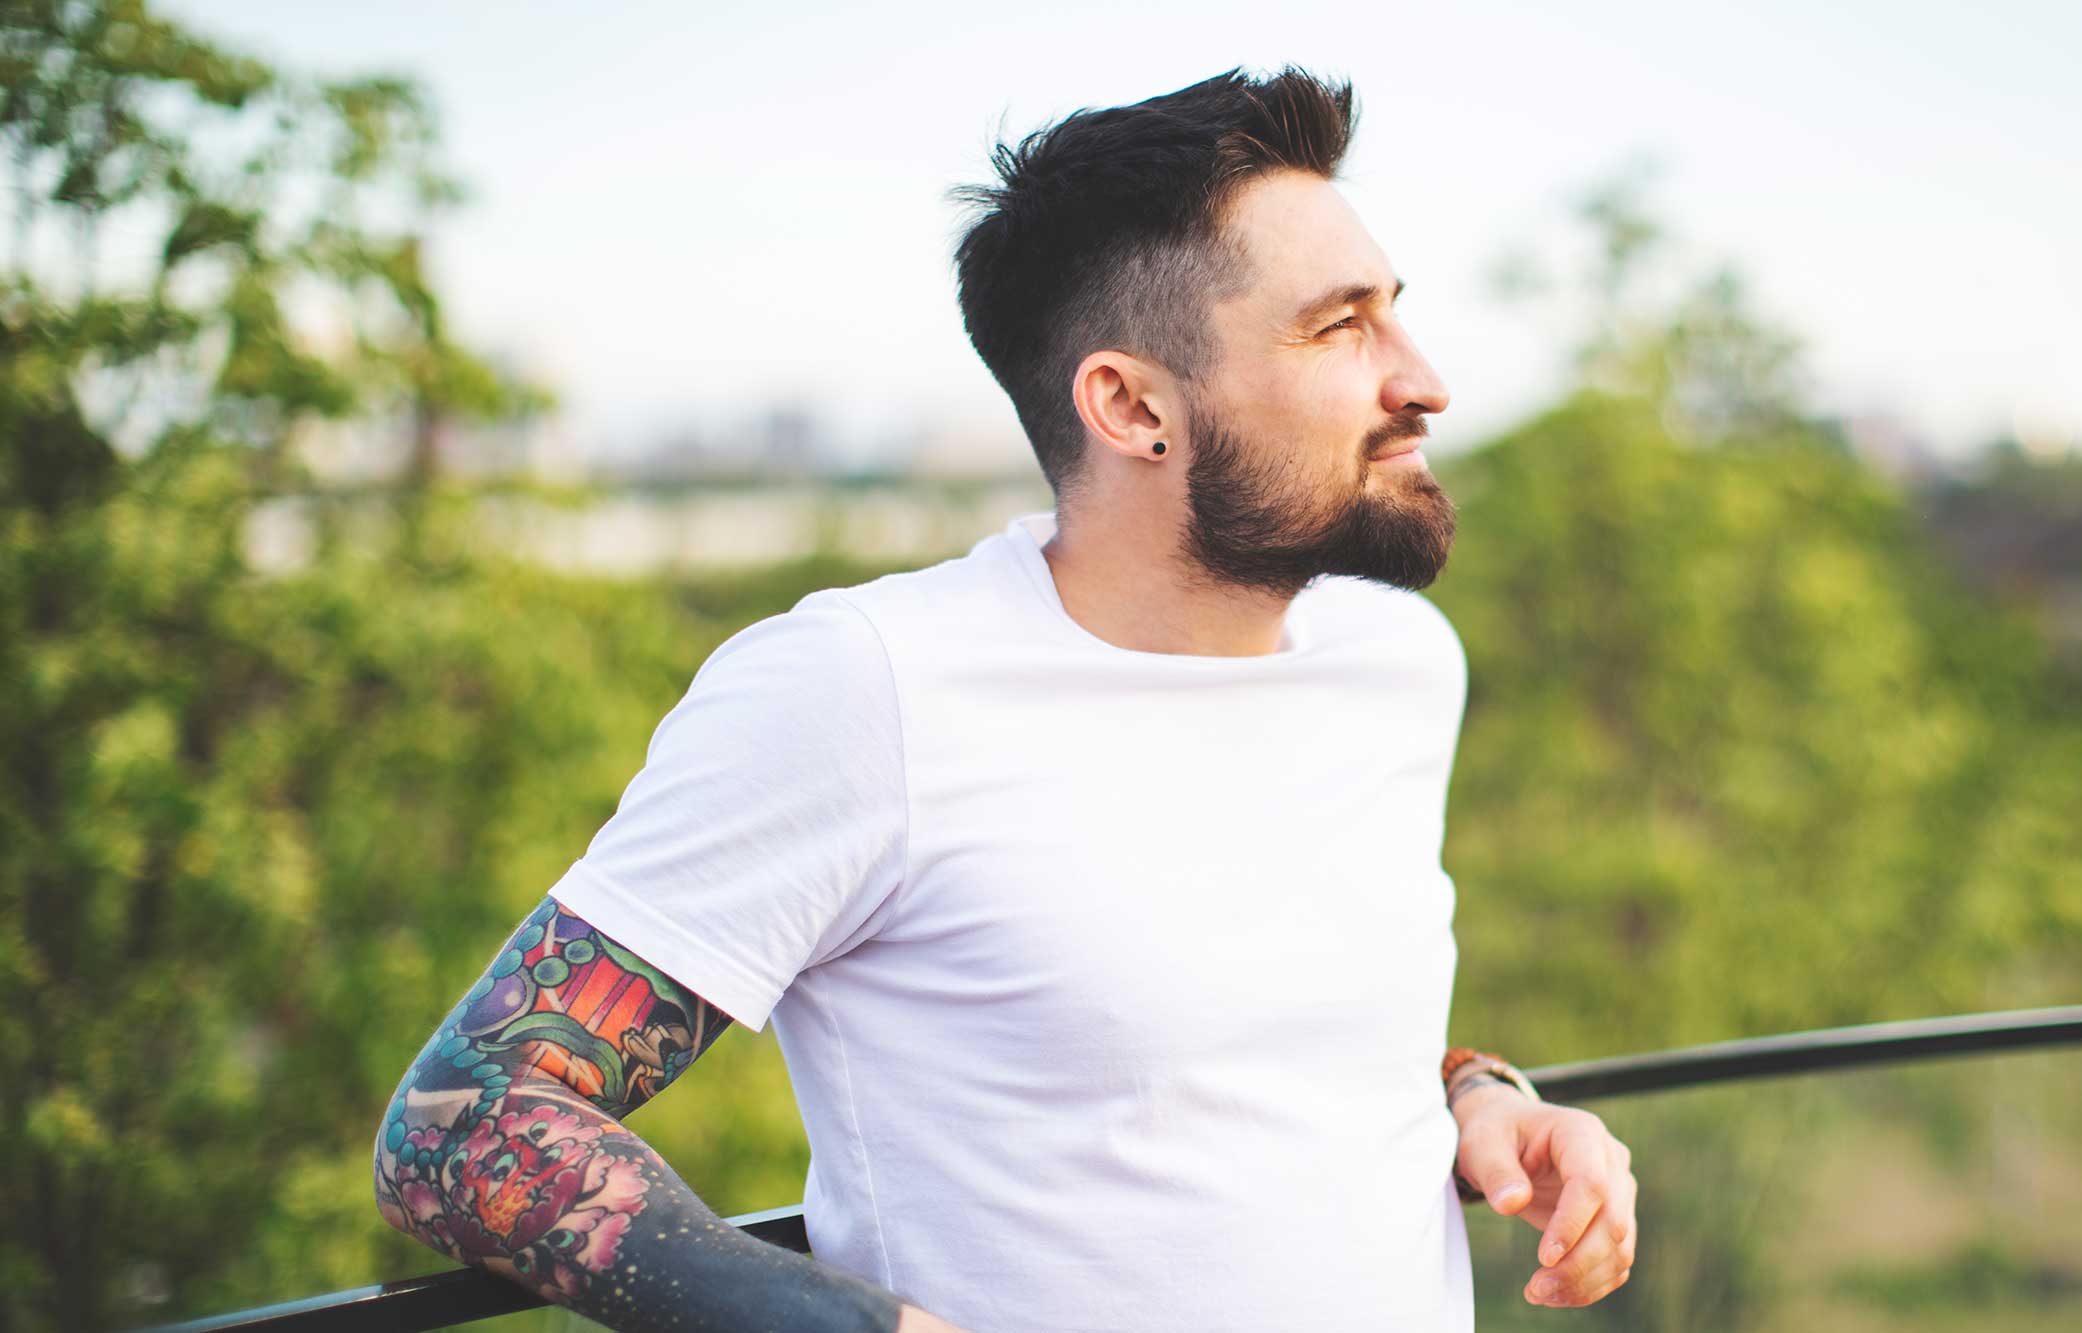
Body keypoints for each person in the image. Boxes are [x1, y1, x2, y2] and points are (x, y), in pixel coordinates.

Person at [373, 64, 1639, 1332]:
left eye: (1392, 313)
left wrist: (1482, 1098)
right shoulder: (864, 690)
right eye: (1338, 327)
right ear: (1131, 405)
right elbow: (461, 1124)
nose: (1423, 380)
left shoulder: (1398, 659)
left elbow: (1253, 1044)